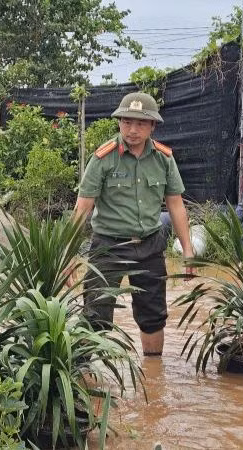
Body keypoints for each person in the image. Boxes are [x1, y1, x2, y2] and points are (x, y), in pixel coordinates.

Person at [72, 92, 195, 357]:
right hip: (108, 247)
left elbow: (176, 205)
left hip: (150, 245)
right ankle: (88, 381)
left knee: (153, 316)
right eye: (127, 122)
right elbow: (83, 208)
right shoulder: (103, 158)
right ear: (119, 123)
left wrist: (188, 251)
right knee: (96, 314)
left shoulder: (164, 158)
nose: (133, 130)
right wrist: (68, 255)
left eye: (140, 123)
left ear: (152, 126)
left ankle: (154, 375)